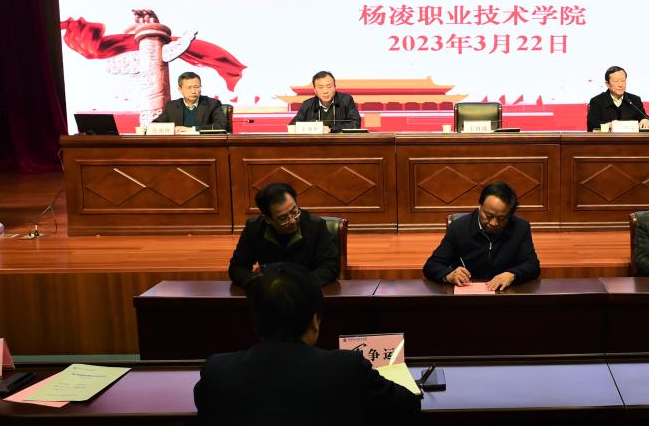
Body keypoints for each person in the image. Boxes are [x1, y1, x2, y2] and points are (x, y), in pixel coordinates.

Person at [195, 263, 421, 426]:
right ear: (315, 320)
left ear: (255, 319)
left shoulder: (218, 371)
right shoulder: (346, 368)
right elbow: (408, 406)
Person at [422, 181, 540, 290]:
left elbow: (532, 266)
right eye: (488, 216)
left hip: (505, 294)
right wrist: (449, 275)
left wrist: (512, 274)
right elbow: (431, 265)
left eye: (501, 218)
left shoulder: (520, 228)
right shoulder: (459, 228)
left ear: (510, 214)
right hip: (468, 294)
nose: (493, 223)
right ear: (480, 206)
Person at [228, 182, 339, 287]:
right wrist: (258, 284)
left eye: (294, 212)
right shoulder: (254, 228)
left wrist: (302, 285)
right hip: (271, 292)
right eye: (283, 218)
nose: (292, 221)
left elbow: (330, 266)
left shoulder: (315, 226)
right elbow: (237, 268)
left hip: (307, 291)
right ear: (267, 219)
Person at [151, 71, 229, 133]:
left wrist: (192, 129)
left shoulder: (212, 104)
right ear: (180, 90)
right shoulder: (172, 106)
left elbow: (221, 126)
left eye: (196, 87)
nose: (193, 91)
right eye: (189, 88)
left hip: (204, 145)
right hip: (178, 145)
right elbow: (155, 125)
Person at [289, 70, 361, 132]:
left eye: (329, 87)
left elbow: (356, 123)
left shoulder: (346, 100)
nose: (325, 91)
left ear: (335, 87)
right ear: (315, 90)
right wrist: (316, 127)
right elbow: (292, 125)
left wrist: (331, 129)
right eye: (321, 87)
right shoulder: (307, 104)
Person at [586, 66, 649, 131]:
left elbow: (648, 121)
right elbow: (592, 126)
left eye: (623, 80)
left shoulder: (634, 100)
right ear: (607, 84)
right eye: (616, 81)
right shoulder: (597, 101)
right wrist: (608, 125)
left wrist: (646, 120)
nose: (620, 85)